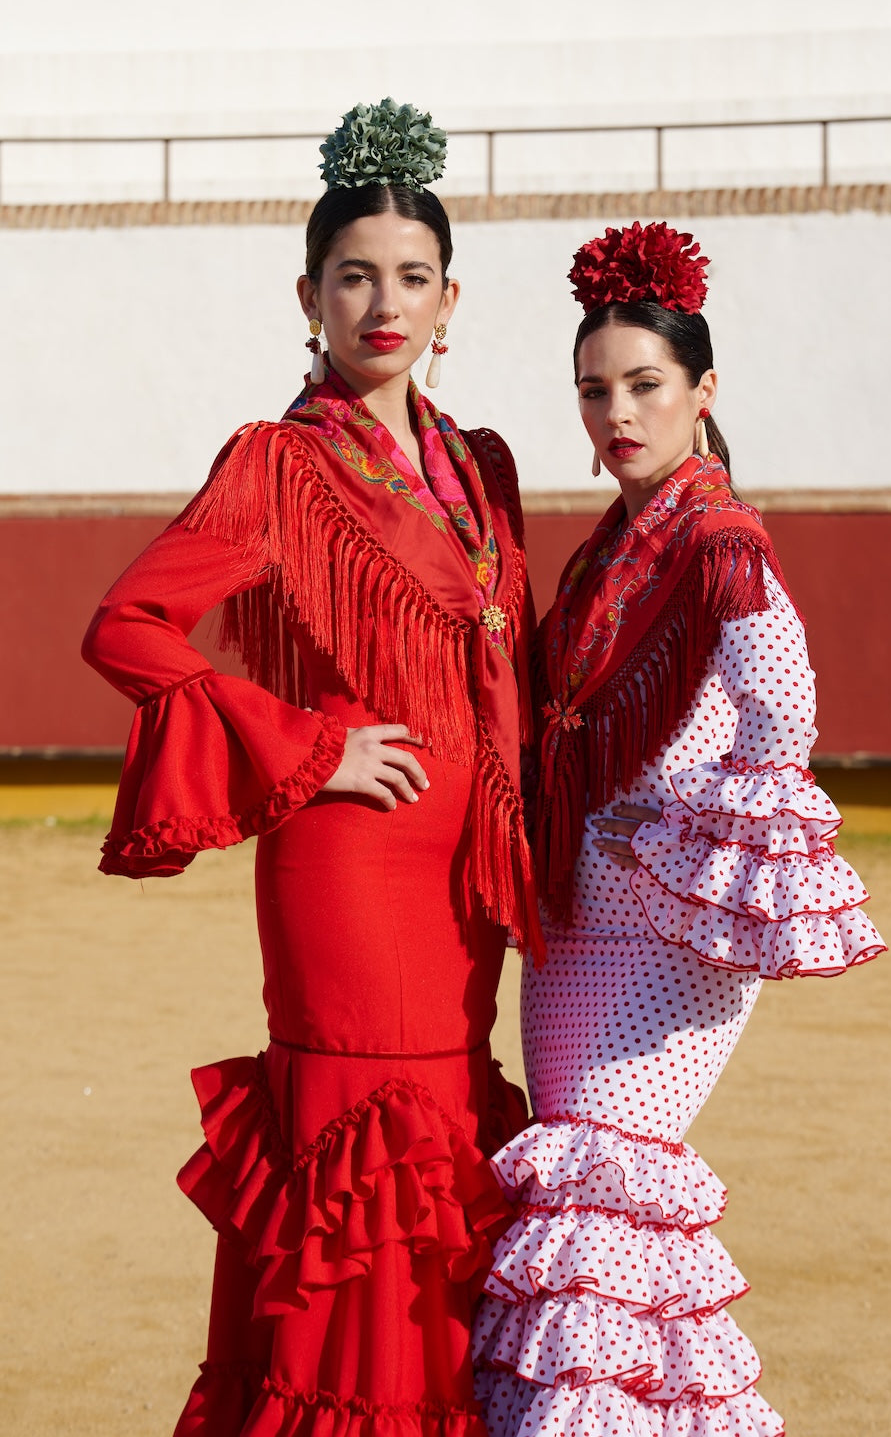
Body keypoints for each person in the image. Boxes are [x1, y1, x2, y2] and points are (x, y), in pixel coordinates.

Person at [82, 99, 541, 1437]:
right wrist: (314, 745)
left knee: (447, 1159)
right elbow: (124, 623)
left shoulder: (482, 464)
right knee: (357, 1167)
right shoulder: (275, 463)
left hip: (463, 891)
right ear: (310, 294)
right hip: (346, 870)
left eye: (411, 277)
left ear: (450, 298)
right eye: (355, 277)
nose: (383, 304)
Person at [473, 221, 886, 1436]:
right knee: (594, 1223)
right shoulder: (609, 548)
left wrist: (668, 840)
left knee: (601, 1199)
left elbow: (784, 719)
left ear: (704, 392)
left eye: (645, 386)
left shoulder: (718, 542)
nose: (617, 413)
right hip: (575, 937)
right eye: (594, 391)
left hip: (660, 937)